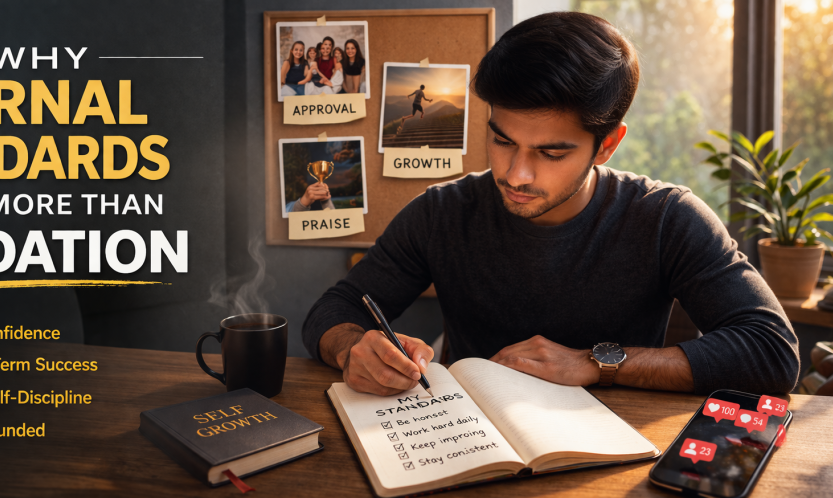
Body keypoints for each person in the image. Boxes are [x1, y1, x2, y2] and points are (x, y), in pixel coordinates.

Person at [302, 12, 799, 397]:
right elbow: (333, 310)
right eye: (502, 140)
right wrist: (352, 348)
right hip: (468, 442)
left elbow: (772, 351)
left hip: (614, 453)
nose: (516, 174)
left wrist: (597, 363)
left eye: (551, 153)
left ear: (607, 145)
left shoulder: (666, 217)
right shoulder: (441, 212)